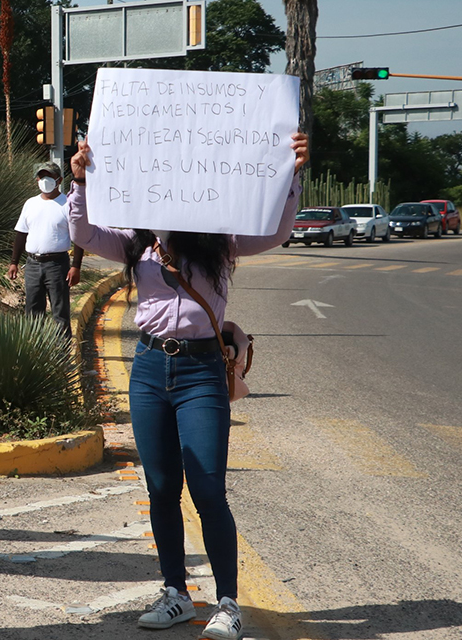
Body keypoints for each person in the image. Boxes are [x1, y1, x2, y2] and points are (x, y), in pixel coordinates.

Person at [68, 133, 309, 640]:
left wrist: (292, 175)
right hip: (150, 368)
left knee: (206, 488)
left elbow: (278, 230)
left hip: (201, 371)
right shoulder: (137, 241)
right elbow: (86, 233)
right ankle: (175, 593)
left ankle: (226, 603)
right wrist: (81, 180)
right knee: (160, 487)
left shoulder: (221, 240)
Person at [8, 162, 85, 343]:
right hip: (33, 264)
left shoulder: (67, 204)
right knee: (33, 311)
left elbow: (79, 238)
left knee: (60, 311)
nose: (45, 181)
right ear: (37, 179)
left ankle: (62, 353)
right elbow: (21, 234)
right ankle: (34, 350)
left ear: (58, 180)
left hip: (57, 265)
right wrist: (14, 262)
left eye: (49, 177)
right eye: (42, 177)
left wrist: (76, 267)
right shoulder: (30, 204)